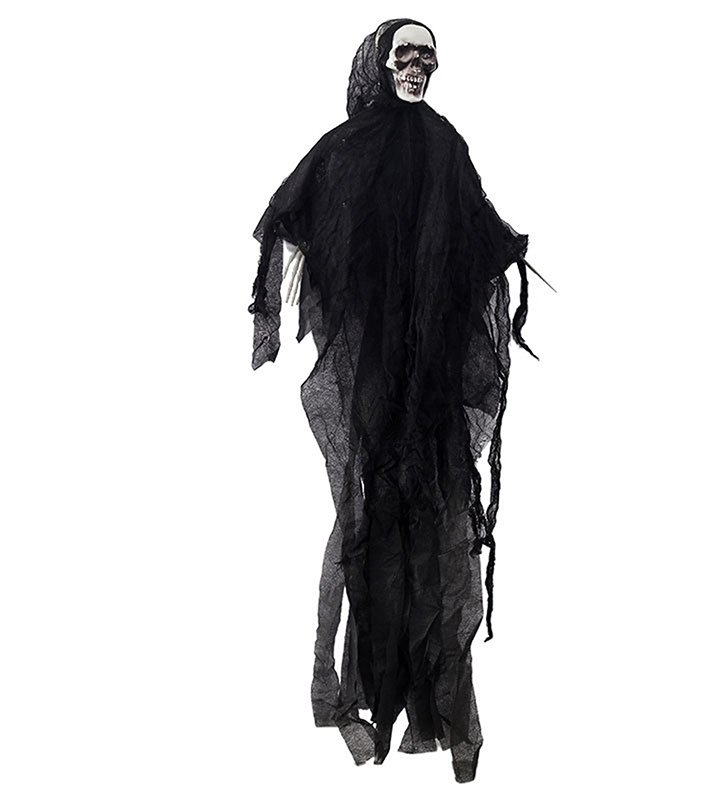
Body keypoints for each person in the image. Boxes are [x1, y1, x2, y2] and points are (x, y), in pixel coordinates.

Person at [249, 17, 546, 783]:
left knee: (443, 524)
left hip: (434, 377)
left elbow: (477, 233)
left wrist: (503, 251)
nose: (418, 67)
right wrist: (268, 316)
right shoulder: (347, 149)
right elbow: (289, 213)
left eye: (428, 58)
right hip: (376, 374)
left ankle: (439, 713)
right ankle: (357, 696)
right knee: (369, 518)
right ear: (378, 64)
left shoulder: (444, 145)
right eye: (404, 54)